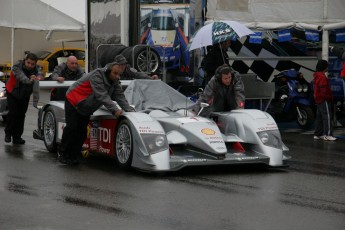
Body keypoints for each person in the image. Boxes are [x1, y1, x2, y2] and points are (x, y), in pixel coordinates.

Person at [57, 57, 135, 165]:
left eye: (119, 74)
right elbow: (102, 95)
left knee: (82, 132)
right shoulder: (97, 75)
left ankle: (73, 156)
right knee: (72, 128)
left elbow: (120, 96)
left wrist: (129, 110)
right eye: (115, 73)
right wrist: (115, 110)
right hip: (73, 100)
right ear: (110, 69)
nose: (117, 77)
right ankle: (63, 153)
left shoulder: (115, 80)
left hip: (86, 107)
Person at [5, 53, 43, 144]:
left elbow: (41, 76)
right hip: (12, 92)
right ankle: (8, 133)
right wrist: (29, 79)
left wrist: (37, 78)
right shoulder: (16, 66)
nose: (30, 65)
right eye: (28, 63)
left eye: (32, 64)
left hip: (25, 94)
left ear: (35, 64)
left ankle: (17, 137)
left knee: (21, 115)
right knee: (13, 113)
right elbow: (21, 77)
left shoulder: (37, 68)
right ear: (24, 60)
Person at [313, 60, 336, 141]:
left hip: (318, 99)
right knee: (328, 116)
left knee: (319, 117)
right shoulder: (322, 77)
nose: (327, 67)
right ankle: (328, 134)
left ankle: (317, 134)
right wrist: (328, 97)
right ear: (324, 67)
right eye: (326, 66)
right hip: (324, 100)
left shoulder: (317, 76)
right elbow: (323, 90)